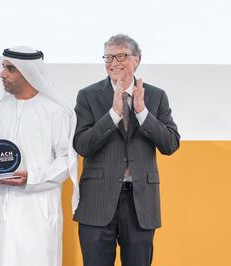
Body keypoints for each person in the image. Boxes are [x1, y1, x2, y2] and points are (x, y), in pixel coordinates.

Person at [73, 34, 180, 266]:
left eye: (121, 56)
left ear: (137, 60)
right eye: (108, 57)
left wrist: (142, 112)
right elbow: (82, 145)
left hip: (140, 203)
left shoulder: (156, 96)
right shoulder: (88, 96)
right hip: (97, 202)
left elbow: (170, 144)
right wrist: (112, 115)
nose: (113, 62)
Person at [0, 46, 78, 266]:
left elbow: (67, 161)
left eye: (10, 69)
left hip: (37, 210)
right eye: (3, 67)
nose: (2, 74)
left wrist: (33, 177)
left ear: (29, 73)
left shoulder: (55, 111)